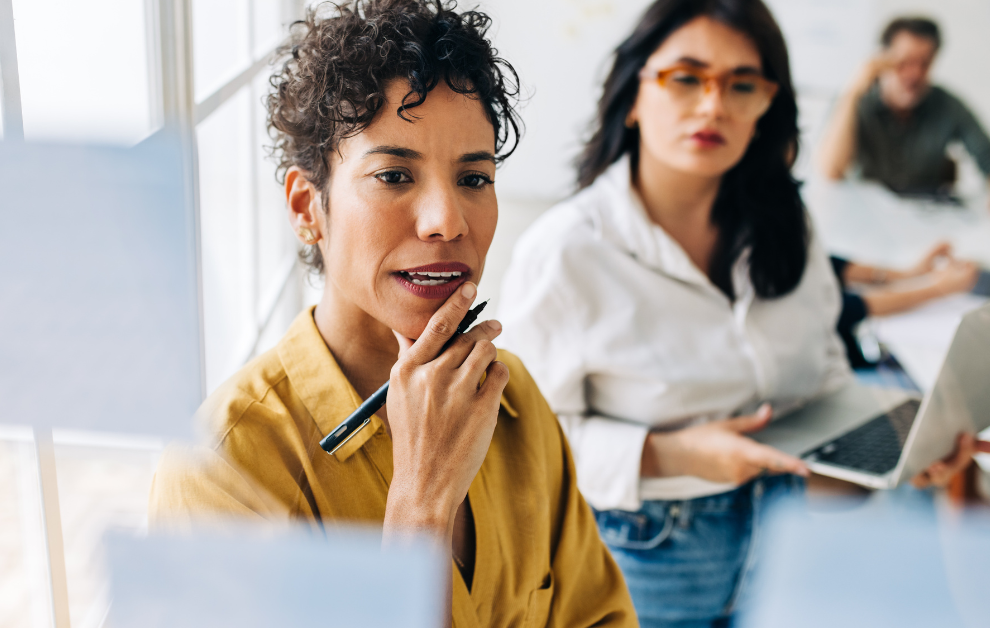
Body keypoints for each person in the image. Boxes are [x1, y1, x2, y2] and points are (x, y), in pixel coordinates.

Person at [148, 2, 636, 626]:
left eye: (474, 179)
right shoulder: (223, 469)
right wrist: (420, 508)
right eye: (395, 175)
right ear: (307, 207)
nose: (447, 221)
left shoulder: (514, 403)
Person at [497, 0, 978, 625]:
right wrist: (672, 454)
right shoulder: (567, 250)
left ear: (765, 107)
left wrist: (900, 456)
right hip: (641, 553)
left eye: (741, 84)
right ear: (635, 93)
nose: (713, 104)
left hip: (786, 531)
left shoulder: (786, 226)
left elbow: (823, 383)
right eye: (687, 77)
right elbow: (519, 447)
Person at [818, 17, 990, 200]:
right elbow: (831, 172)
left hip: (925, 215)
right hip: (865, 213)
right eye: (904, 61)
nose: (914, 74)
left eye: (924, 63)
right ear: (882, 59)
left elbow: (986, 156)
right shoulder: (856, 100)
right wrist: (853, 92)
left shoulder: (947, 105)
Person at [831, 242, 979, 369]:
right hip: (849, 355)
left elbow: (828, 264)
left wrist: (907, 274)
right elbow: (845, 308)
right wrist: (940, 289)